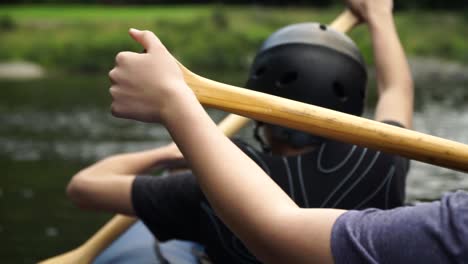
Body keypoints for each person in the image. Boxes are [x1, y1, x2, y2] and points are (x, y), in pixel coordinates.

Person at [105, 0, 468, 263]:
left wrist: (174, 135)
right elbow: (397, 92)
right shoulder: (384, 159)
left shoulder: (219, 172)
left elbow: (85, 187)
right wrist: (380, 17)